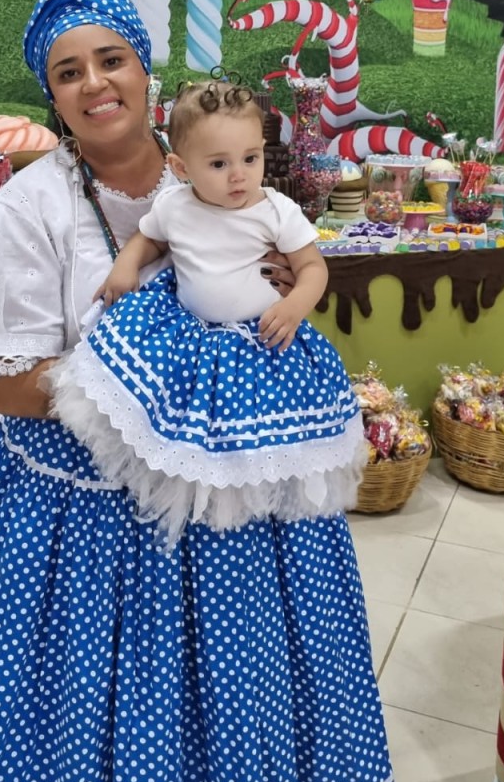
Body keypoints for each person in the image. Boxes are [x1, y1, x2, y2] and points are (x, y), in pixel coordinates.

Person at [0, 0, 402, 782]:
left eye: (111, 60)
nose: (95, 83)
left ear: (145, 71)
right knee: (80, 722)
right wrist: (149, 387)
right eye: (69, 72)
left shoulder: (228, 177)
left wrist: (276, 309)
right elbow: (12, 389)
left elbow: (288, 282)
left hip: (230, 508)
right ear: (51, 93)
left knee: (241, 699)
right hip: (80, 519)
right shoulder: (31, 209)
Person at [52, 78, 365, 545]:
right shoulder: (174, 205)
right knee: (191, 432)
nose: (239, 175)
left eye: (250, 158)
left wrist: (296, 305)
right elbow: (149, 239)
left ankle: (252, 517)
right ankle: (197, 513)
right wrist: (126, 266)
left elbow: (313, 268)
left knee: (257, 441)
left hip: (261, 343)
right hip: (190, 339)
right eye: (219, 163)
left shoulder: (276, 210)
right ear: (181, 167)